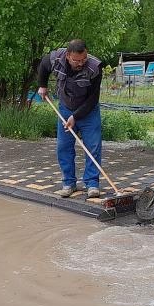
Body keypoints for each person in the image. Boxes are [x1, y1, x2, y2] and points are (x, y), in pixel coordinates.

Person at [37, 39, 104, 198]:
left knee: (92, 147)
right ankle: (68, 183)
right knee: (63, 147)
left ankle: (92, 184)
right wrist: (43, 85)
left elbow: (93, 99)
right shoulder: (55, 59)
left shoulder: (94, 67)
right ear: (68, 56)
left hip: (89, 112)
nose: (81, 63)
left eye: (83, 59)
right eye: (77, 60)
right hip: (65, 108)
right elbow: (43, 65)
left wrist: (76, 116)